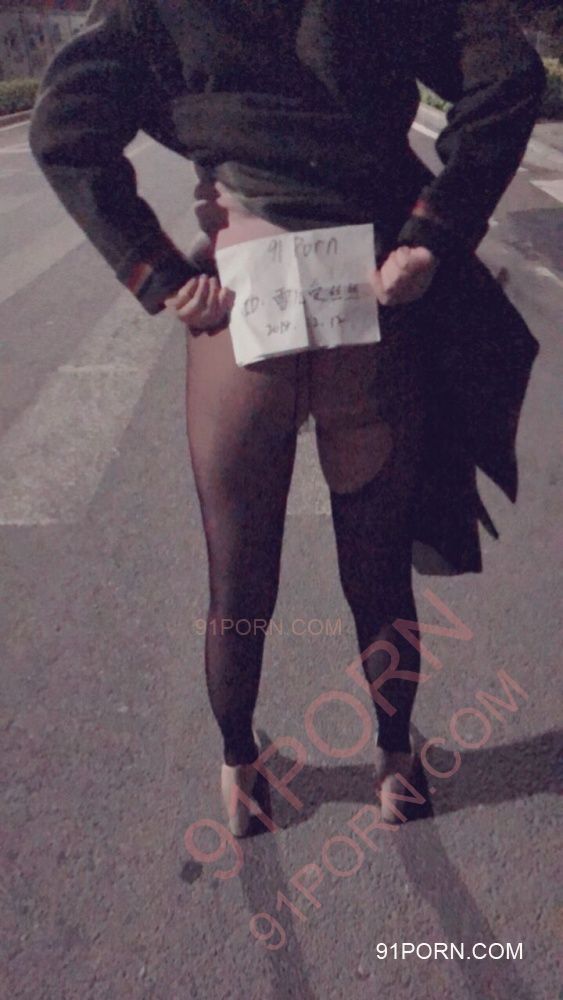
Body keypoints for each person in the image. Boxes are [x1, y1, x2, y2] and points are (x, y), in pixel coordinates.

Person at [29, 0, 545, 834]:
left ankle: (241, 775)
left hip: (244, 299)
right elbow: (508, 75)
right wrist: (430, 233)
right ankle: (396, 764)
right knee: (378, 571)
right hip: (367, 294)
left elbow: (63, 128)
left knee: (238, 579)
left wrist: (158, 271)